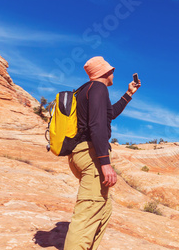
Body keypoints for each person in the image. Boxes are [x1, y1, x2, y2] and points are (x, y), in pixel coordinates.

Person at [64, 56, 140, 249]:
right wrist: (105, 163)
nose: (113, 73)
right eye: (111, 70)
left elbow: (109, 114)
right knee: (87, 215)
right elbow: (97, 125)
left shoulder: (84, 90)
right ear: (105, 72)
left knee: (103, 210)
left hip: (79, 154)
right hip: (91, 155)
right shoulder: (98, 88)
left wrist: (129, 94)